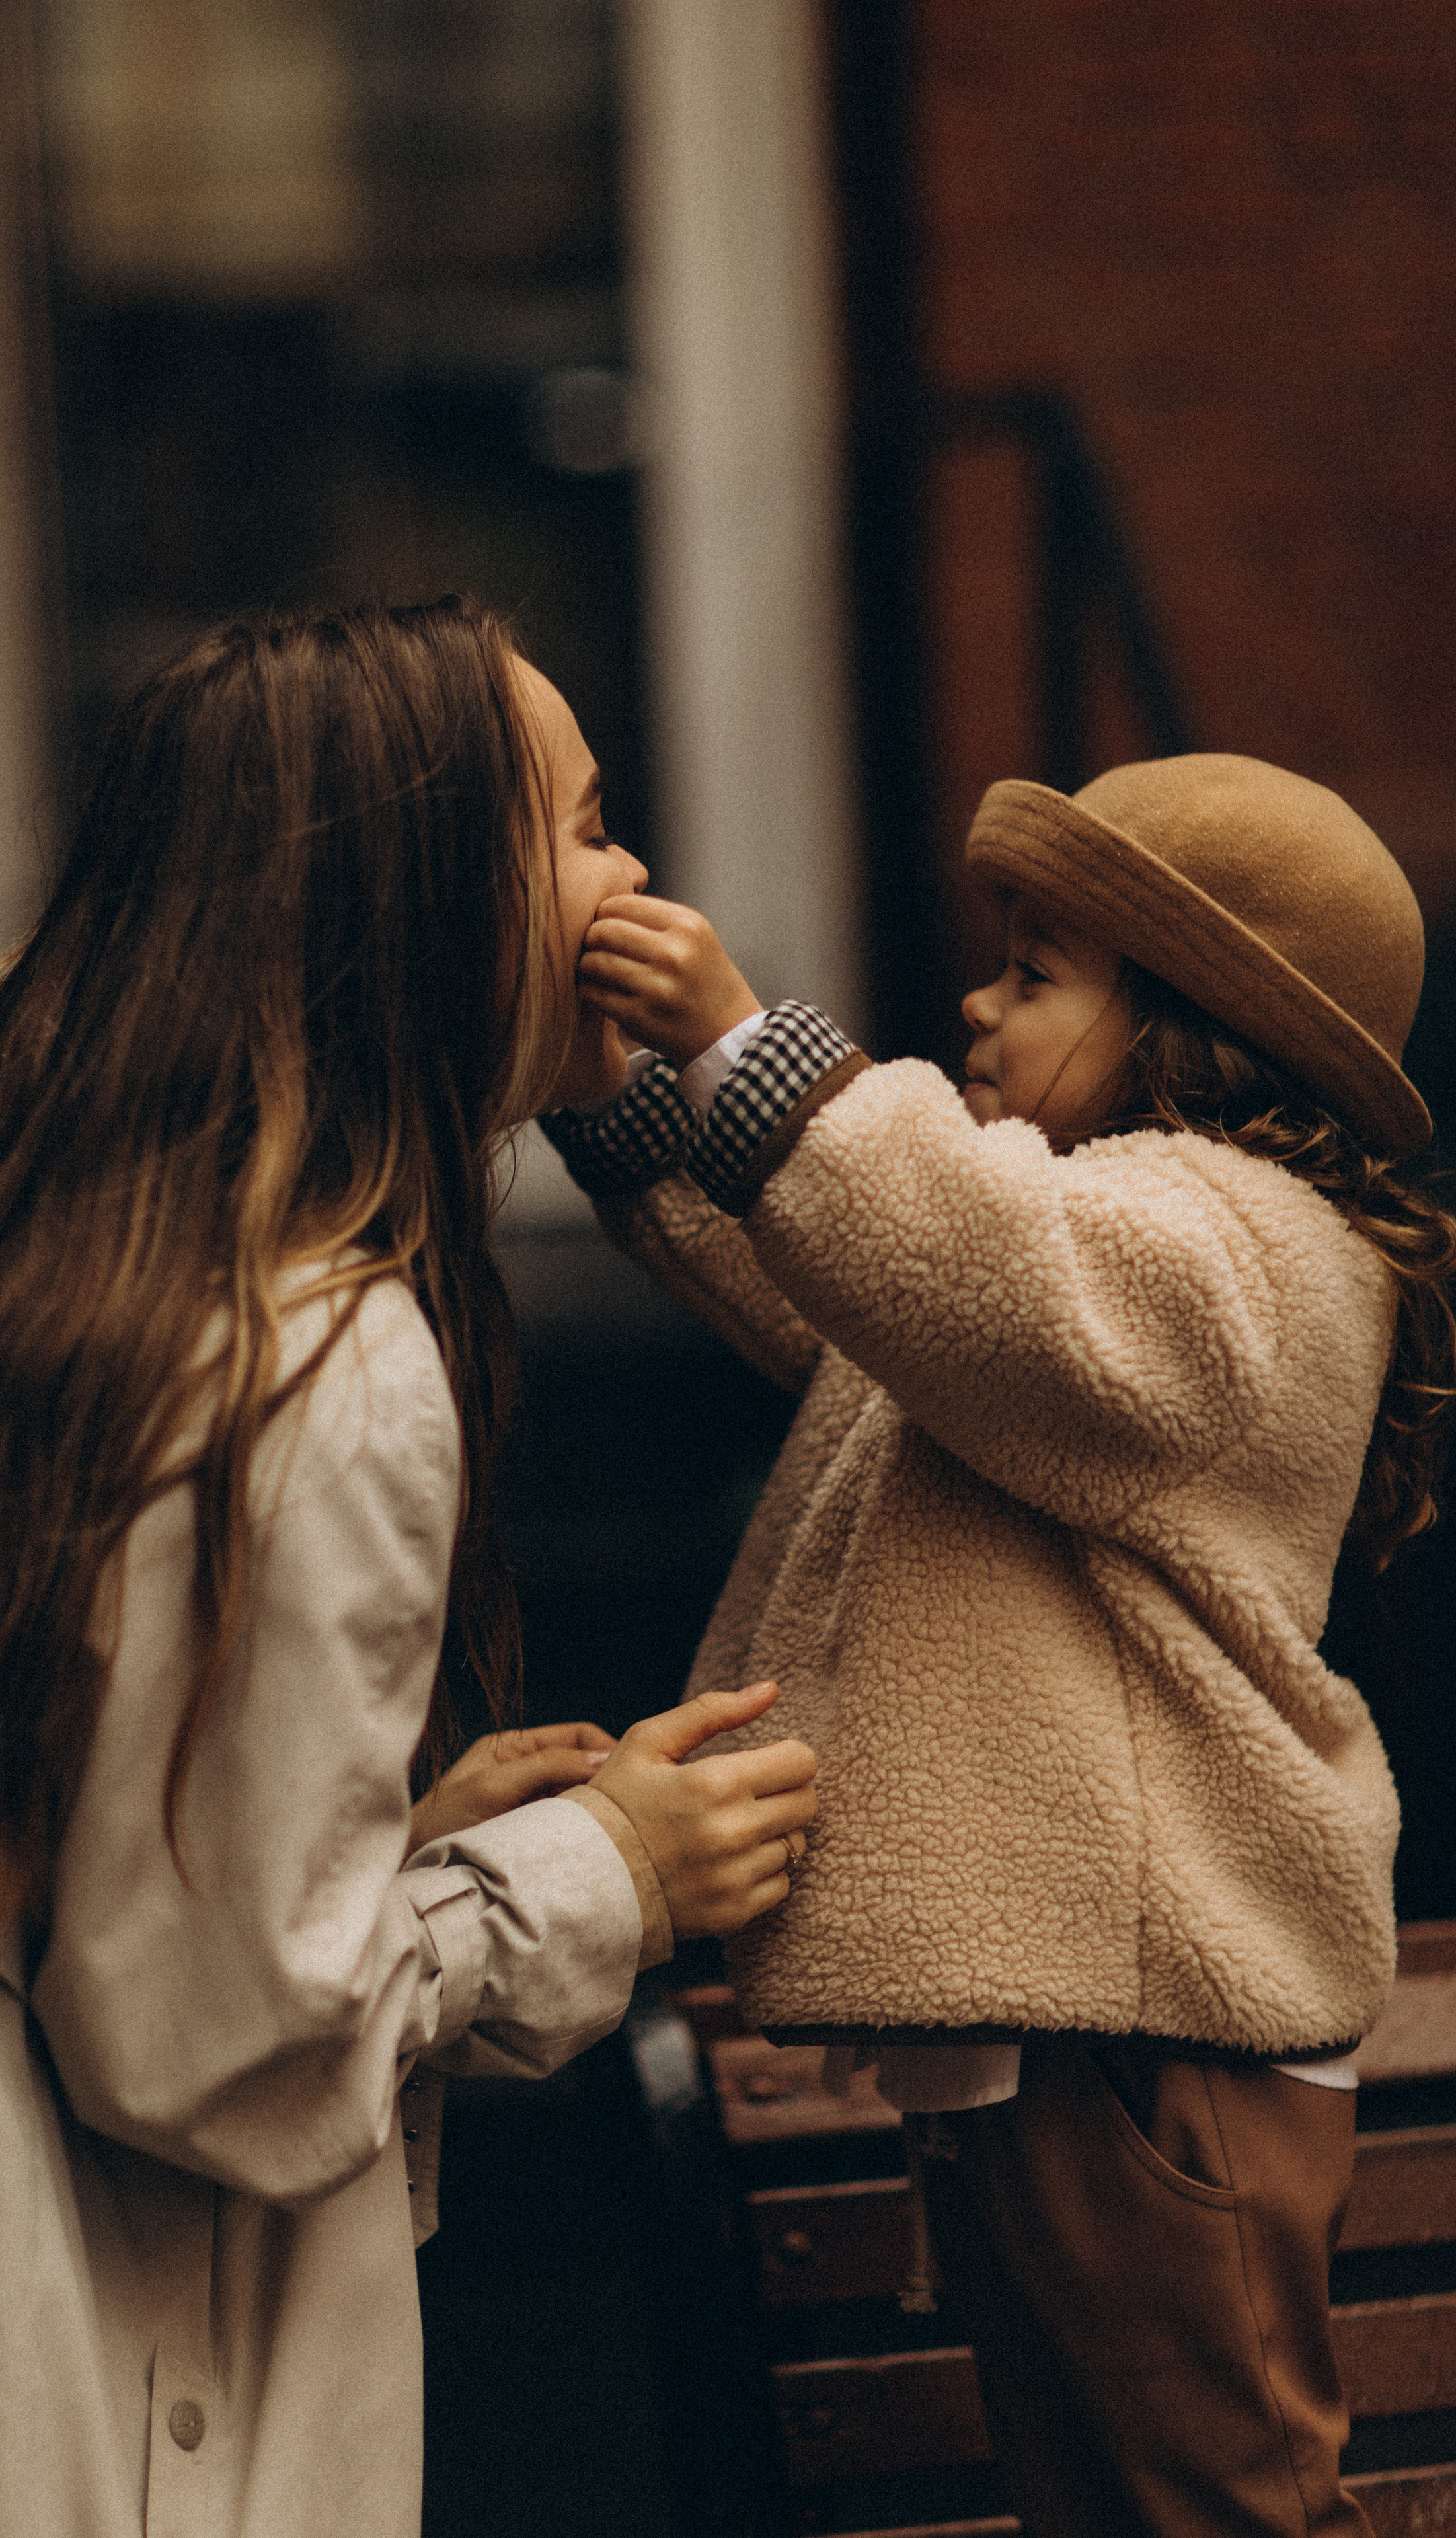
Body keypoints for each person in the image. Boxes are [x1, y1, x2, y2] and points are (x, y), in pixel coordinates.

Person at [0, 598, 818, 2538]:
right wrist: (603, 1877)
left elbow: (105, 1903)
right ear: (423, 897)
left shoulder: (32, 1271)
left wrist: (385, 1864)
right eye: (584, 828)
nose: (636, 872)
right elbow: (223, 2047)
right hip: (30, 2397)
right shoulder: (319, 1359)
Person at [542, 753, 1456, 2536]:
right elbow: (849, 1295)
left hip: (1160, 2040)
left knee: (1216, 2503)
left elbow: (950, 1248)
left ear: (1200, 1034)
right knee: (1110, 2500)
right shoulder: (1056, 1277)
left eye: (1036, 975)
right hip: (1098, 2023)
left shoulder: (1238, 1250)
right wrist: (632, 1105)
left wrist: (749, 1046)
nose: (976, 999)